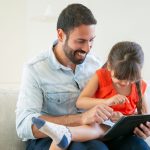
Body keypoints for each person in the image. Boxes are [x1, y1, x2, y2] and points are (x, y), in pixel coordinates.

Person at [16, 3, 113, 150]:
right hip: (47, 139)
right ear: (61, 35)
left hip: (88, 133)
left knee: (136, 144)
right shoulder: (35, 69)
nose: (87, 48)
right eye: (80, 41)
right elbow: (24, 125)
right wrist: (80, 119)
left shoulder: (96, 64)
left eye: (91, 40)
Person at [32, 41, 150, 150]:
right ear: (109, 66)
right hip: (99, 124)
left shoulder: (139, 86)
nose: (125, 83)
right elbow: (80, 102)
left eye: (131, 79)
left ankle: (65, 133)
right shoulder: (101, 76)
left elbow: (144, 116)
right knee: (96, 128)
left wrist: (124, 119)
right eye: (119, 78)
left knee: (138, 145)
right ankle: (65, 133)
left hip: (120, 131)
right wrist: (107, 102)